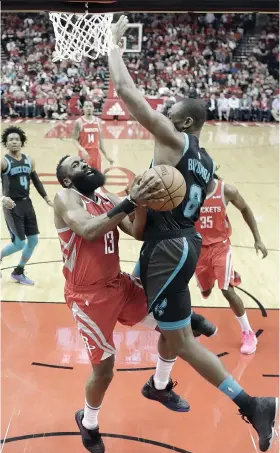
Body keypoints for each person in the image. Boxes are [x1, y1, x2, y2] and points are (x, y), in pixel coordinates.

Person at [107, 16, 278, 452]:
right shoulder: (205, 160)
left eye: (170, 113)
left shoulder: (176, 142)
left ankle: (251, 403)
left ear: (183, 124)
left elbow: (128, 95)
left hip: (169, 247)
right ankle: (160, 383)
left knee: (173, 333)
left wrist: (113, 44)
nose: (161, 115)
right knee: (166, 323)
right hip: (180, 242)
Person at [53, 156, 190, 453]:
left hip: (118, 284)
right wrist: (130, 200)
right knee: (105, 371)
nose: (83, 164)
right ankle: (88, 423)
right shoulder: (64, 197)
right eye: (75, 166)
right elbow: (89, 230)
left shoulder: (104, 197)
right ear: (67, 180)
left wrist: (140, 204)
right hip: (88, 297)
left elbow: (137, 231)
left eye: (82, 161)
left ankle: (159, 385)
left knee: (172, 326)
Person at [195, 174, 268, 354]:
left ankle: (247, 332)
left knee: (227, 289)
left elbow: (246, 209)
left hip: (220, 246)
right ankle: (218, 276)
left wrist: (257, 239)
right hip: (198, 248)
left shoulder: (226, 190)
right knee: (205, 291)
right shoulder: (189, 190)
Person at [0, 126, 53, 285]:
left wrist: (46, 198)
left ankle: (18, 271)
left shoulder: (29, 160)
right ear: (6, 143)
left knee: (33, 241)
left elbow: (36, 181)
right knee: (19, 243)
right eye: (11, 140)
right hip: (12, 206)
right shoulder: (3, 161)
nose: (14, 142)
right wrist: (2, 198)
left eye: (17, 139)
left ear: (21, 142)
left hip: (27, 204)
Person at [72, 99, 113, 171]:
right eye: (86, 106)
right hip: (84, 155)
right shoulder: (78, 122)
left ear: (93, 108)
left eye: (90, 106)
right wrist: (82, 150)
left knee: (96, 178)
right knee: (84, 178)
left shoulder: (98, 121)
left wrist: (106, 156)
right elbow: (74, 140)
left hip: (96, 155)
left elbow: (100, 140)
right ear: (83, 108)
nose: (88, 108)